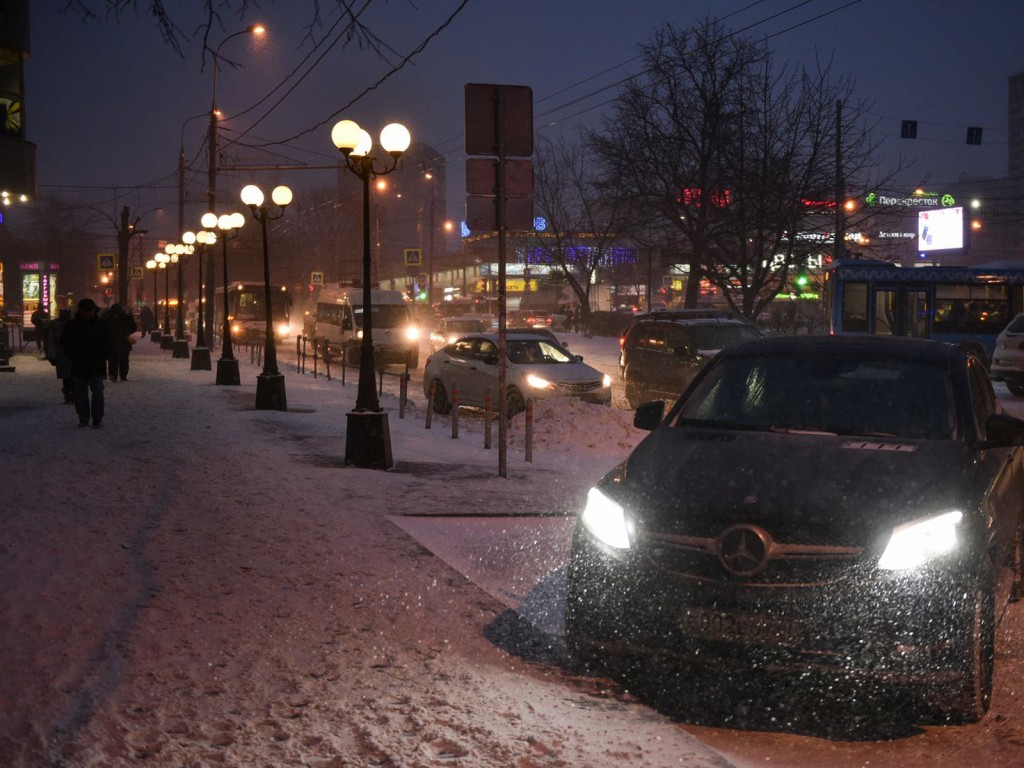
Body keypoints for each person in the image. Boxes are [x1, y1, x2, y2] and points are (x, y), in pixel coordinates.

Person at [60, 298, 112, 428]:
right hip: (85, 364)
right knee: (85, 393)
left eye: (90, 311)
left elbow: (108, 343)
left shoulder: (75, 325)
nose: (88, 313)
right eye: (86, 311)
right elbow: (64, 343)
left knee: (92, 392)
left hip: (90, 364)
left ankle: (92, 418)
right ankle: (89, 418)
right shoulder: (95, 325)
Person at [43, 307, 73, 402]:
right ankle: (71, 392)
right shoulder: (74, 324)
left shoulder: (55, 326)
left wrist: (52, 356)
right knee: (72, 375)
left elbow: (51, 342)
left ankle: (68, 392)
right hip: (71, 354)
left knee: (66, 376)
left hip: (61, 355)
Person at [102, 302, 138, 381]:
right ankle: (122, 375)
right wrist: (128, 331)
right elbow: (134, 327)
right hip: (122, 341)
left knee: (113, 360)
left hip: (112, 342)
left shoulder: (107, 317)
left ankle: (113, 375)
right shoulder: (125, 317)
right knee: (123, 360)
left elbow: (102, 329)